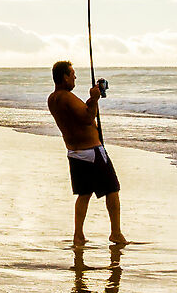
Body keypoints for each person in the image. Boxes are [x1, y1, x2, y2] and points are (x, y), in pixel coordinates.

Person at [47, 60, 125, 248]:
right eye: (72, 74)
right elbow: (86, 118)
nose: (75, 78)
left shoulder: (53, 99)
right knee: (112, 189)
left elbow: (78, 118)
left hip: (74, 152)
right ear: (64, 76)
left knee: (84, 193)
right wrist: (94, 99)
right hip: (92, 151)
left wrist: (92, 100)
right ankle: (115, 232)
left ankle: (78, 235)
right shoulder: (66, 97)